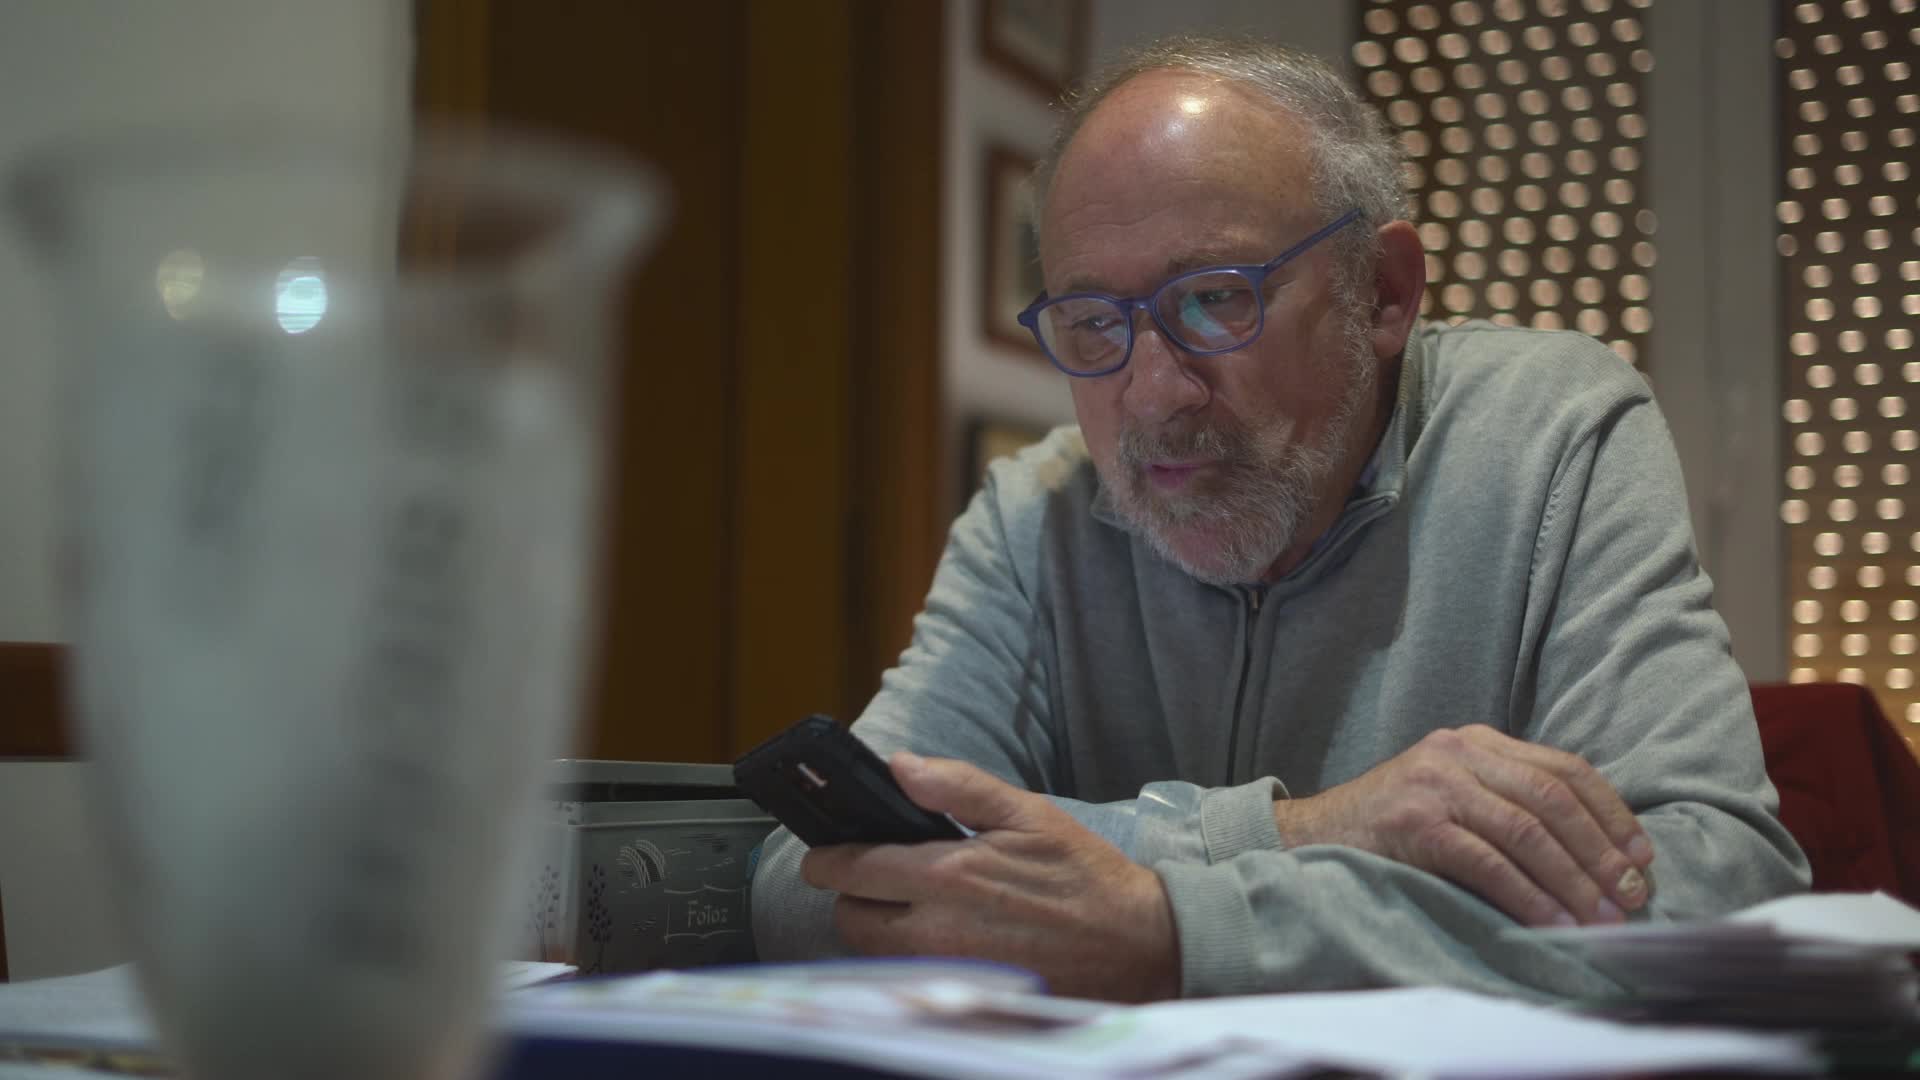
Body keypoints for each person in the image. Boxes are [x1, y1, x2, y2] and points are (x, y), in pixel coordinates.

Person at [749, 35, 1808, 1003]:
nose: (1152, 394)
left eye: (1214, 298)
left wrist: (1174, 934)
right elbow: (808, 875)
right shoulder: (1037, 516)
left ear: (1383, 292)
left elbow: (1717, 889)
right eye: (1092, 319)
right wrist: (1310, 829)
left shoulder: (1551, 433)